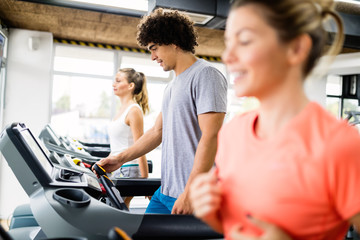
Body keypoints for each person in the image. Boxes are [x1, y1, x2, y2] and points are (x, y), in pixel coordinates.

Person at [190, 0, 360, 239]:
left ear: (296, 48)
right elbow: (241, 229)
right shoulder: (232, 134)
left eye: (245, 41)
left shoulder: (338, 144)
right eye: (228, 43)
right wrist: (212, 216)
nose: (227, 56)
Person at [94, 8, 228, 214]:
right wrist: (120, 158)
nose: (152, 56)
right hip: (166, 192)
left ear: (173, 41)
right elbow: (157, 132)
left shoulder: (206, 75)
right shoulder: (172, 87)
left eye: (154, 48)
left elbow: (211, 136)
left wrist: (190, 192)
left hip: (193, 195)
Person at [108, 68, 149, 208]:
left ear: (131, 86)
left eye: (118, 81)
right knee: (119, 210)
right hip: (118, 166)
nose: (114, 84)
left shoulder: (134, 111)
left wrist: (145, 182)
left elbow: (141, 147)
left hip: (128, 168)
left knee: (117, 210)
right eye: (114, 81)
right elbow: (117, 146)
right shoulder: (122, 110)